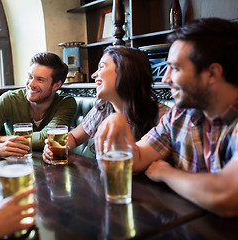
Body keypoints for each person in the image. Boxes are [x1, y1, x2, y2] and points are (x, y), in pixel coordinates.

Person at [94, 18, 238, 217]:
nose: (165, 78)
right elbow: (136, 160)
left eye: (176, 68)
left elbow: (227, 197)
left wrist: (165, 172)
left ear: (212, 74)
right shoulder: (180, 115)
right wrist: (118, 122)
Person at [43, 45, 169, 162]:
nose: (93, 75)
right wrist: (53, 146)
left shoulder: (162, 116)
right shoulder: (103, 107)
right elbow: (75, 137)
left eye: (101, 67)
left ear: (125, 71)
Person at [0, 51, 77, 158]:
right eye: (30, 76)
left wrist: (2, 139)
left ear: (56, 85)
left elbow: (47, 138)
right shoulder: (9, 99)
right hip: (14, 166)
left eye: (40, 80)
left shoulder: (66, 103)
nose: (31, 84)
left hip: (53, 166)